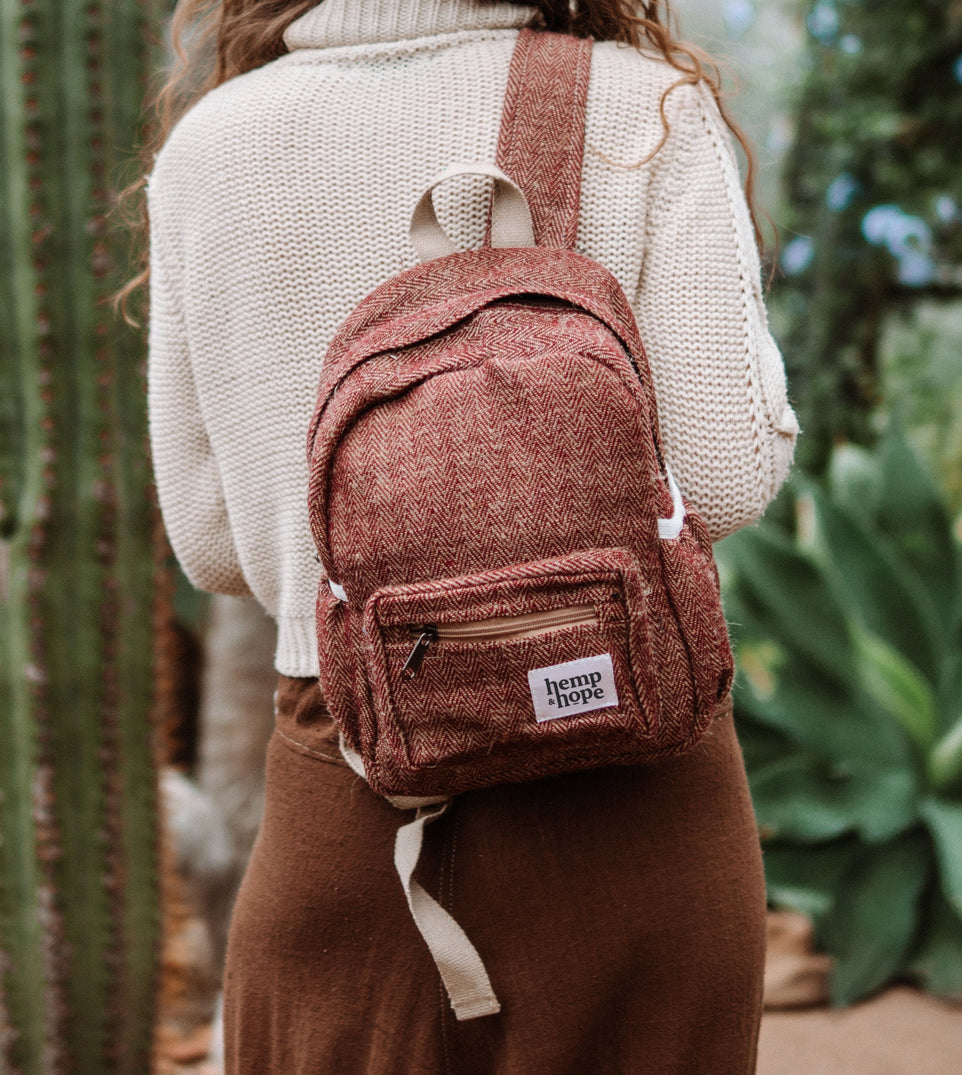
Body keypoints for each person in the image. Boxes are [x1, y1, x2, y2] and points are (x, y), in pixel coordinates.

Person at [140, 0, 798, 1069]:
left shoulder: (210, 147)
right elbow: (725, 476)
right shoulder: (643, 106)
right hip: (630, 788)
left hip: (352, 778)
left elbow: (213, 544)